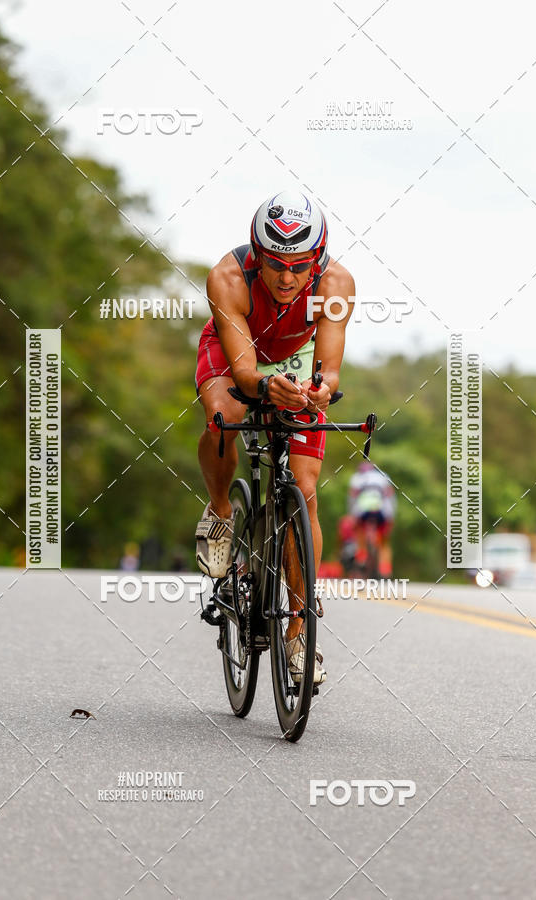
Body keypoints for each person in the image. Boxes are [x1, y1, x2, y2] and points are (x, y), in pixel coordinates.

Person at [194, 190, 355, 684]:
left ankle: (299, 631)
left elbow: (329, 367)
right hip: (236, 351)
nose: (287, 278)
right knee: (223, 417)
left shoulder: (336, 283)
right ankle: (221, 512)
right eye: (276, 264)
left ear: (317, 259)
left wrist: (320, 390)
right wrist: (264, 387)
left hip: (295, 358)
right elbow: (245, 374)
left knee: (304, 489)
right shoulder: (227, 277)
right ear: (257, 255)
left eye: (300, 266)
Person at [345, 461, 396, 577]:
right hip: (382, 511)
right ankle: (385, 568)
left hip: (363, 511)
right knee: (384, 541)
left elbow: (352, 497)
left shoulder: (357, 478)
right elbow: (391, 497)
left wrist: (352, 516)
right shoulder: (384, 477)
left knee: (360, 534)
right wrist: (391, 517)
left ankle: (361, 558)